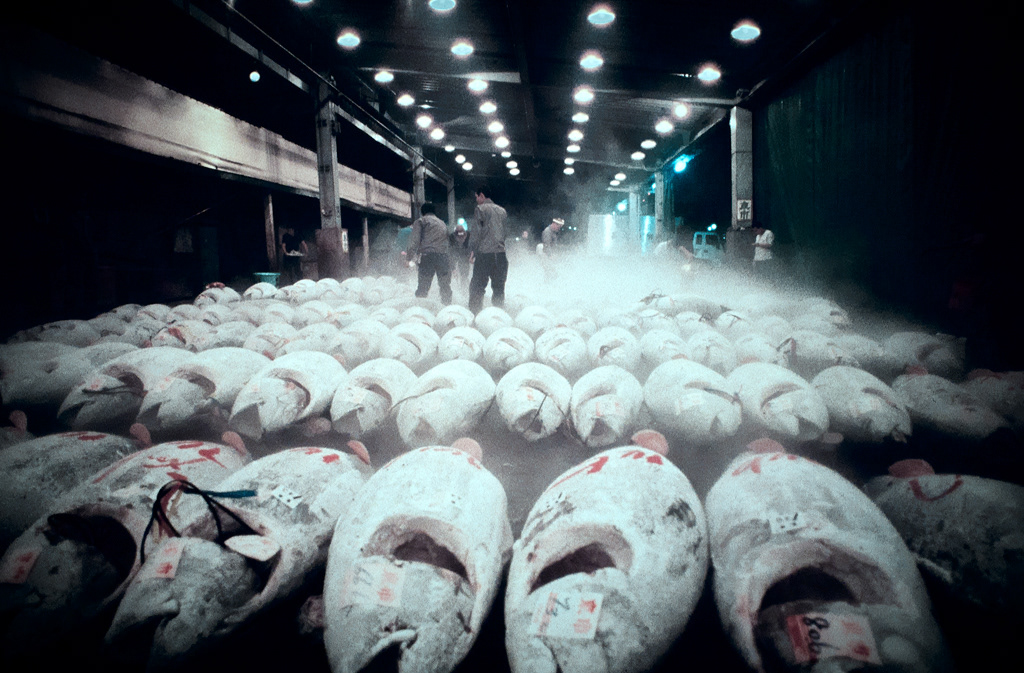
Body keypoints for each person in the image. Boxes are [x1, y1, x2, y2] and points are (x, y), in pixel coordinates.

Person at [468, 184, 509, 313]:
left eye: (477, 197)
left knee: (477, 288)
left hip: (485, 255)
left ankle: (475, 315)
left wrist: (473, 252)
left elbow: (476, 233)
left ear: (482, 195)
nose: (476, 200)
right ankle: (498, 316)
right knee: (498, 289)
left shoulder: (480, 209)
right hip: (501, 255)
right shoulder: (502, 211)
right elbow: (505, 233)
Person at [407, 202, 452, 304]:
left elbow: (414, 241)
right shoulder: (442, 223)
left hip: (428, 257)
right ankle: (447, 308)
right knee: (445, 286)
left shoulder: (421, 221)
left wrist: (408, 258)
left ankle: (420, 310)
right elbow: (447, 242)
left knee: (423, 286)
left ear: (422, 212)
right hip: (443, 257)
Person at [448, 222, 471, 289]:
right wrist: (453, 268)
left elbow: (473, 247)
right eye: (459, 237)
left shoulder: (469, 236)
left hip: (465, 255)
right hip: (455, 254)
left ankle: (464, 288)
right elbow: (450, 254)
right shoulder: (451, 238)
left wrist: (472, 256)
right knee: (453, 273)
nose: (461, 239)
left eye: (462, 237)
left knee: (464, 274)